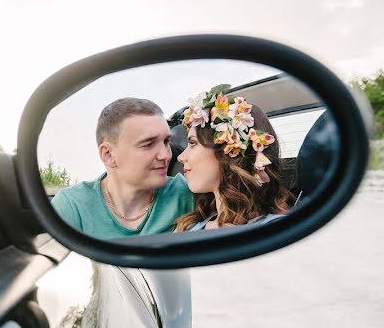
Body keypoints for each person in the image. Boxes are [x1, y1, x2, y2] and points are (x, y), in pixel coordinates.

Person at [51, 97, 193, 237]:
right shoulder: (72, 207)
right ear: (108, 154)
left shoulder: (185, 194)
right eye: (148, 144)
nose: (166, 155)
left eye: (166, 141)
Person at [174, 84, 294, 231]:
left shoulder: (278, 229)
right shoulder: (186, 227)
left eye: (192, 143)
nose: (180, 157)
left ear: (229, 151)